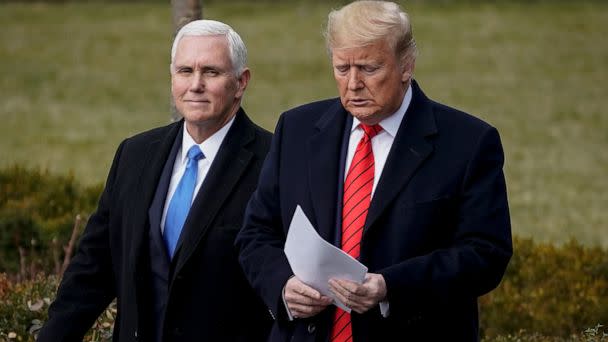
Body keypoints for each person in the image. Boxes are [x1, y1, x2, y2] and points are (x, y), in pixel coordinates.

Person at [235, 1, 513, 341]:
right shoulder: (296, 129)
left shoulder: (468, 143)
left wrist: (390, 287)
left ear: (406, 65)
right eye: (342, 68)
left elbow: (485, 254)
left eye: (368, 68)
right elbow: (256, 233)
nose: (353, 84)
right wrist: (283, 285)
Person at [38, 20, 272, 342]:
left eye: (211, 72)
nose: (195, 84)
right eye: (185, 71)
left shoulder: (274, 163)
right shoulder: (135, 155)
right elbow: (92, 270)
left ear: (241, 82)